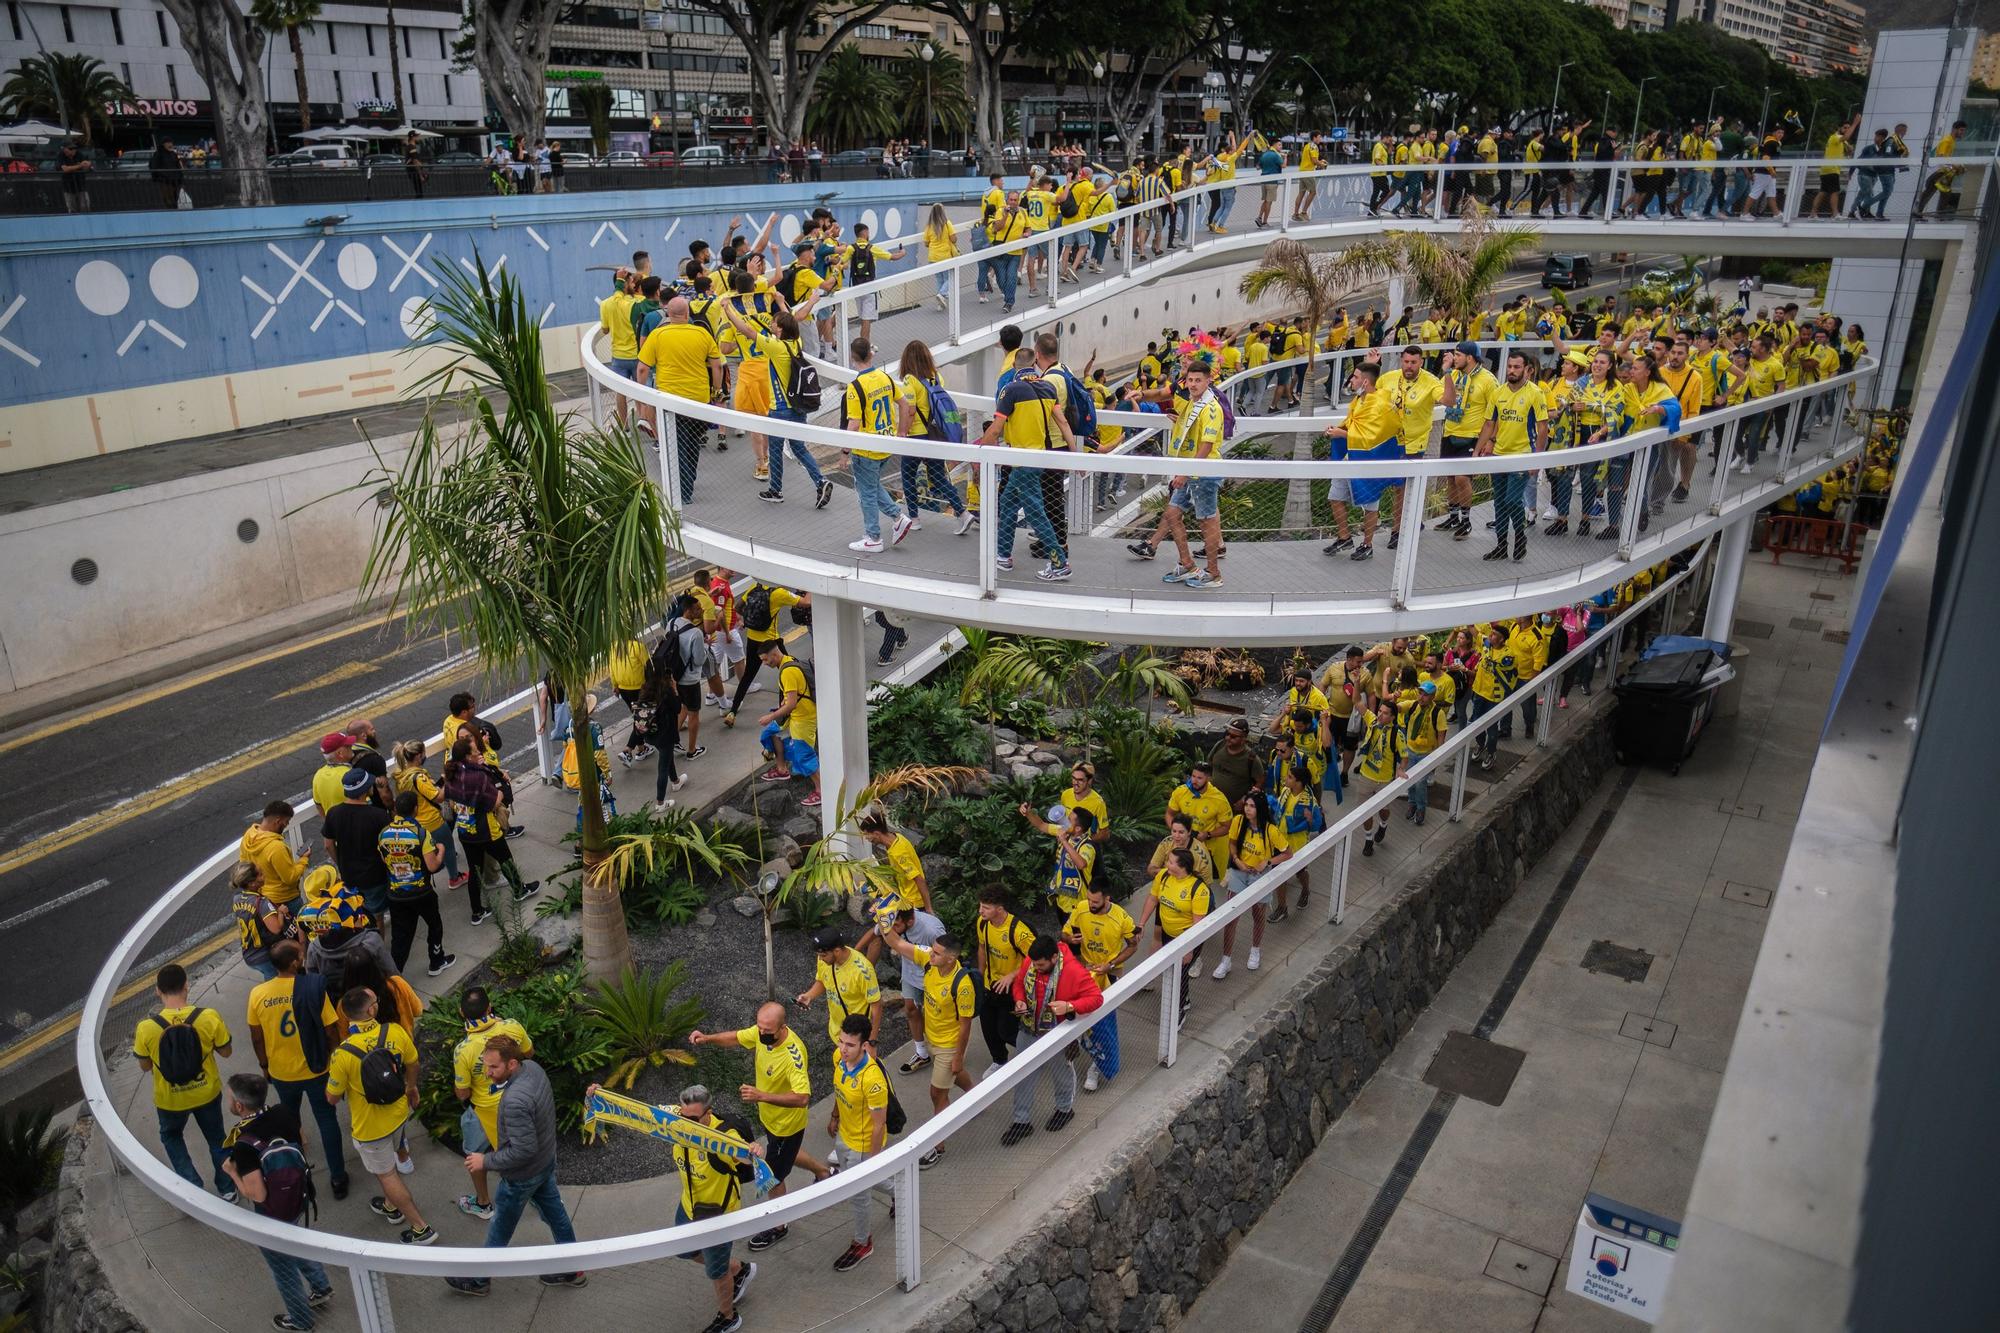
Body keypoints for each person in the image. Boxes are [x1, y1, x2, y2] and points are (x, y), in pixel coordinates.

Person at [445, 1037, 586, 1296]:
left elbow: (522, 1150)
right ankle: (573, 1268)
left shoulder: (514, 1101)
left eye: (493, 1068)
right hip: (545, 1162)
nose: (487, 1074)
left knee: (500, 1227)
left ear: (511, 1063)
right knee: (556, 1215)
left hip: (522, 1176)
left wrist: (484, 1160)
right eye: (486, 1066)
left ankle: (479, 1281)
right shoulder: (533, 1068)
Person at [688, 1002, 826, 1249]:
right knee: (784, 1153)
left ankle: (779, 1225)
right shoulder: (763, 1033)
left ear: (782, 1027)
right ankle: (824, 1172)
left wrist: (761, 1096)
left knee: (772, 1176)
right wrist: (707, 1038)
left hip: (787, 1125)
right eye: (760, 1028)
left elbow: (803, 1097)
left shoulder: (793, 1055)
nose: (761, 1034)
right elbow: (737, 1038)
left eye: (767, 1030)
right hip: (771, 1121)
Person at [221, 1072, 337, 1331]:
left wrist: (232, 1173)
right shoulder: (283, 1113)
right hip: (298, 1195)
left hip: (272, 1213)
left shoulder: (244, 1145)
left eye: (229, 1097)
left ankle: (301, 1320)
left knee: (283, 1269)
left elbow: (257, 1195)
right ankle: (320, 1287)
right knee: (299, 1240)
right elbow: (300, 1144)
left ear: (239, 1106)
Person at [325, 985, 435, 1244]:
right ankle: (390, 1206)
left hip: (370, 1127)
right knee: (389, 1164)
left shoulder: (343, 1054)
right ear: (372, 1009)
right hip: (398, 1113)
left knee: (386, 1175)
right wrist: (411, 1087)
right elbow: (413, 1062)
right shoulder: (394, 1031)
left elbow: (331, 1097)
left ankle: (421, 1228)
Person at [245, 940, 349, 1202]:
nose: (303, 956)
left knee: (291, 1123)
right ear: (294, 962)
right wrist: (334, 1055)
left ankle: (296, 1172)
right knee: (327, 1120)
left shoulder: (258, 994)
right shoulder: (313, 988)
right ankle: (338, 1177)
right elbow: (330, 1029)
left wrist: (264, 1066)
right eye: (300, 954)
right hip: (316, 1068)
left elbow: (256, 1037)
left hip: (281, 1073)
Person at [134, 963, 235, 1199]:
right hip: (206, 1093)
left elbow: (145, 1066)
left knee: (171, 1136)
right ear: (186, 986)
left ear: (158, 991)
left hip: (169, 1100)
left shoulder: (146, 1028)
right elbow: (227, 1052)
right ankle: (227, 1188)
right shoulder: (207, 1017)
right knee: (217, 1138)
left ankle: (193, 1188)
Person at [1128, 352, 1228, 587]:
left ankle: (1213, 573)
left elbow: (1207, 445)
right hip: (1188, 469)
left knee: (1207, 521)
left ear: (1208, 381)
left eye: (1198, 380)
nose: (1192, 384)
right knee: (1173, 515)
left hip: (1203, 472)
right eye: (1190, 380)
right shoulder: (1193, 403)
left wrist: (1185, 473)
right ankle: (1187, 564)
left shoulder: (1210, 409)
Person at [976, 346, 1076, 582]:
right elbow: (1062, 424)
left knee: (1036, 512)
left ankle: (1059, 562)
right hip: (1038, 458)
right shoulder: (1047, 387)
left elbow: (997, 428)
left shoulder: (1010, 390)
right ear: (1033, 365)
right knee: (1009, 504)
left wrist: (980, 453)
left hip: (1020, 460)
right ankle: (1003, 555)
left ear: (1014, 368)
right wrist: (1076, 456)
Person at [881, 928, 978, 1159]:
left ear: (950, 958)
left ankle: (937, 1145)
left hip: (949, 1045)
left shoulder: (962, 986)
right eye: (931, 951)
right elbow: (896, 943)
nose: (930, 955)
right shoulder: (930, 960)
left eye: (936, 953)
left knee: (937, 1093)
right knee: (956, 1073)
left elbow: (965, 1026)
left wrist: (956, 1056)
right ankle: (976, 1097)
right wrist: (884, 922)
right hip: (932, 1038)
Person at [1001, 935, 1104, 1145]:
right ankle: (1021, 1121)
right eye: (1034, 964)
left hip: (1058, 1031)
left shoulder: (1074, 971)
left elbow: (1096, 998)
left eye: (1041, 965)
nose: (1036, 968)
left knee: (1061, 1071)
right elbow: (1019, 983)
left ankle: (1064, 1109)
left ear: (1054, 958)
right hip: (1029, 1027)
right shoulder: (1032, 961)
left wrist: (1069, 1007)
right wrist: (1020, 1000)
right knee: (1022, 1073)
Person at [452, 986, 533, 1222]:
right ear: (489, 1007)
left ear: (461, 1013)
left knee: (474, 1155)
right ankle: (542, 1196)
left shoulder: (463, 1051)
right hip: (518, 1102)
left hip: (483, 1114)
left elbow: (463, 1093)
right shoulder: (512, 1026)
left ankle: (483, 1203)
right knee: (526, 1151)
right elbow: (529, 1053)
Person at [636, 296, 727, 501]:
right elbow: (717, 365)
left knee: (676, 443)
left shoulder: (658, 335)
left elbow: (642, 368)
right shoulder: (702, 333)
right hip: (698, 400)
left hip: (670, 402)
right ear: (687, 314)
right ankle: (689, 481)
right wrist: (717, 390)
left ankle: (684, 490)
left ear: (668, 314)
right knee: (693, 441)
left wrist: (642, 396)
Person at [840, 339, 917, 553]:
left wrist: (844, 452)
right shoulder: (884, 377)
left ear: (852, 358)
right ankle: (897, 516)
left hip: (866, 449)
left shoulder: (855, 387)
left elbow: (853, 423)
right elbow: (903, 403)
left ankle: (873, 537)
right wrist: (901, 431)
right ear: (870, 355)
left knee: (866, 492)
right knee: (869, 486)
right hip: (885, 444)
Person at [1321, 359, 1403, 560]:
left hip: (1371, 461)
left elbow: (1374, 437)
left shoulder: (1381, 404)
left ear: (1365, 382)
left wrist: (1343, 434)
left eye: (1356, 377)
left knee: (1370, 504)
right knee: (1335, 497)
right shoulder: (1359, 400)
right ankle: (1344, 537)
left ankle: (1367, 544)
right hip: (1352, 456)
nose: (1352, 380)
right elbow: (1355, 426)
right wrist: (1338, 431)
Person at [829, 1015, 891, 1273]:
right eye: (841, 1042)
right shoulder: (839, 1059)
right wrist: (835, 1116)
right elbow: (839, 1091)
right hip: (844, 1137)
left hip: (864, 1148)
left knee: (860, 1196)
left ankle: (863, 1243)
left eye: (850, 1045)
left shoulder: (873, 1080)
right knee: (873, 1184)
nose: (843, 1049)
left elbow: (879, 1124)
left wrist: (873, 1161)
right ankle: (902, 1192)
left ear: (864, 1045)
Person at [1062, 883, 1138, 1091]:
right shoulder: (1081, 908)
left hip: (1109, 976)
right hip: (1084, 972)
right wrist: (1070, 938)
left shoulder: (1121, 918)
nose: (1091, 904)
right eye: (1089, 899)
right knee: (1076, 1012)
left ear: (1107, 898)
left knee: (1102, 1021)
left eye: (1095, 901)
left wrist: (1110, 964)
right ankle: (1074, 1046)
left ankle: (1098, 1064)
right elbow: (1064, 934)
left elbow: (1133, 945)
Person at [894, 340, 974, 532]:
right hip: (935, 435)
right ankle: (963, 513)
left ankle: (914, 518)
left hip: (916, 436)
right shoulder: (936, 377)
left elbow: (910, 411)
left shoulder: (909, 380)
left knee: (908, 475)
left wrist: (902, 432)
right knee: (938, 477)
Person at [1479, 348, 1549, 563]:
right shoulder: (1498, 393)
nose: (1512, 370)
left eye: (1516, 367)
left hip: (1522, 456)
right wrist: (1477, 451)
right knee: (1499, 502)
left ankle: (1520, 537)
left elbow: (1543, 427)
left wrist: (1536, 460)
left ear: (1527, 369)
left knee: (1512, 500)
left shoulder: (1535, 393)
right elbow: (1489, 423)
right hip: (1499, 455)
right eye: (1509, 366)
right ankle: (1501, 545)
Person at [1213, 791, 1290, 977]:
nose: (1247, 809)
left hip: (1260, 876)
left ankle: (1255, 950)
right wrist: (1237, 859)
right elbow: (1232, 843)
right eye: (1246, 805)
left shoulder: (1271, 830)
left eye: (1252, 806)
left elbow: (1288, 853)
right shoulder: (1239, 821)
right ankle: (1226, 960)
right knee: (1232, 916)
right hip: (1239, 873)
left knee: (1258, 913)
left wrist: (1268, 862)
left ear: (1260, 809)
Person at [378, 791, 454, 977]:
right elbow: (433, 865)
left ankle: (395, 977)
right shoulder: (421, 834)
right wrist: (441, 850)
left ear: (396, 809)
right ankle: (436, 961)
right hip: (421, 892)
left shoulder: (383, 834)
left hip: (396, 894)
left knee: (400, 937)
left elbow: (384, 861)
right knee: (434, 925)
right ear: (416, 809)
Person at [1137, 847, 1211, 1027]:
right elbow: (1153, 899)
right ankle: (1184, 999)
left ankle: (1178, 1010)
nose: (1166, 864)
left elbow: (1198, 925)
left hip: (1187, 938)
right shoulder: (1163, 876)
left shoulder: (1198, 889)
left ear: (1183, 866)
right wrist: (1141, 923)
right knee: (1175, 971)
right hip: (1168, 934)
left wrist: (1188, 949)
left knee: (1179, 972)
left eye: (1170, 862)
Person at [754, 639, 821, 808]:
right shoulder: (789, 661)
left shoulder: (787, 672)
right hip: (794, 715)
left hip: (803, 718)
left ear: (774, 655)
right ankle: (781, 768)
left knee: (804, 755)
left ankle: (821, 791)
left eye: (765, 660)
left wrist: (771, 716)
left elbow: (791, 704)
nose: (764, 664)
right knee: (770, 733)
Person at [973, 888, 1036, 1067]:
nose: (980, 911)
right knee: (988, 1027)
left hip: (1012, 988)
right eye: (980, 906)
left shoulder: (1019, 932)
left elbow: (1035, 959)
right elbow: (982, 948)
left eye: (985, 907)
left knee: (1007, 1031)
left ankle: (1037, 1049)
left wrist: (1011, 976)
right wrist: (981, 973)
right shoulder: (983, 923)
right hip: (990, 985)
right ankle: (999, 1061)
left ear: (999, 909)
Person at [393, 740, 466, 890]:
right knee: (448, 848)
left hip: (416, 824)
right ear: (419, 756)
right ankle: (454, 878)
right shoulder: (419, 778)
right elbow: (438, 797)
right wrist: (446, 782)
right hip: (432, 822)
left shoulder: (402, 777)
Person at [322, 767, 393, 918]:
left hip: (349, 875)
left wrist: (341, 864)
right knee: (375, 917)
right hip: (375, 876)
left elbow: (328, 845)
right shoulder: (379, 815)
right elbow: (389, 845)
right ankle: (374, 941)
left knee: (355, 916)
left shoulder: (333, 813)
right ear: (364, 790)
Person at [796, 927, 882, 1053]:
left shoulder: (863, 971)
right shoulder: (825, 960)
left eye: (823, 955)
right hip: (837, 1031)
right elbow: (822, 980)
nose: (820, 959)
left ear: (836, 951)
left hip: (857, 1037)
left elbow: (877, 1006)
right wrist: (809, 995)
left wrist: (871, 1042)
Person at [231, 860, 293, 983]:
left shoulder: (236, 899)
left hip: (249, 953)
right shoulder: (262, 903)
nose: (263, 875)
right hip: (263, 956)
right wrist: (280, 912)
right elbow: (276, 929)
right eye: (260, 874)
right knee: (276, 985)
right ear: (252, 883)